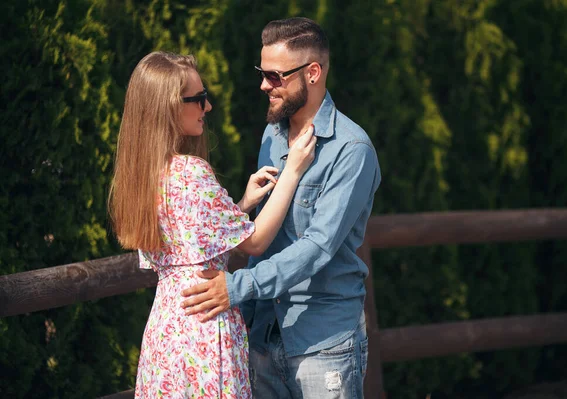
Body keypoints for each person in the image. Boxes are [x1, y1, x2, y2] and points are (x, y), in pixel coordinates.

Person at [181, 17, 381, 398]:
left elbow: (318, 246)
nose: (263, 85)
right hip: (263, 332)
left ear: (313, 73)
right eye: (262, 73)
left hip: (323, 341)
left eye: (275, 77)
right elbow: (265, 233)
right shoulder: (272, 134)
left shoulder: (352, 150)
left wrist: (237, 287)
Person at [108, 51, 316, 399]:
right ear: (170, 106)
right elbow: (255, 243)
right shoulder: (190, 172)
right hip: (204, 328)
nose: (208, 107)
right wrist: (294, 169)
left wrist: (243, 205)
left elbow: (191, 244)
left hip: (166, 335)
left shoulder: (142, 176)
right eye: (199, 99)